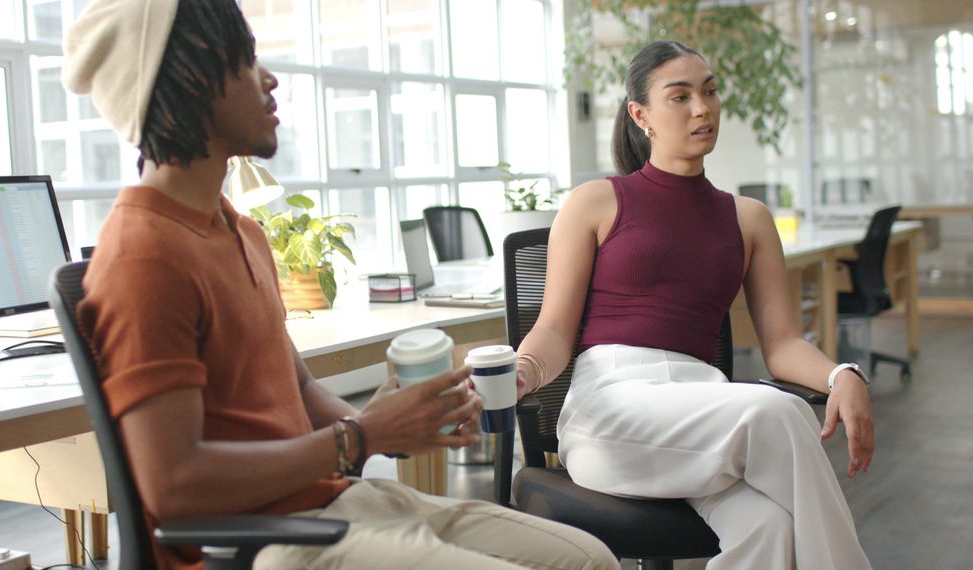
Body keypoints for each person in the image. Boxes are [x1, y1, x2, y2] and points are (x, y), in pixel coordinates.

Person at [61, 1, 619, 569]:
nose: (270, 79)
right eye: (247, 61)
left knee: (590, 560)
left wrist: (393, 421)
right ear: (187, 80)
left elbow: (299, 393)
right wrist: (357, 438)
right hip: (266, 541)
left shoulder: (241, 232)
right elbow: (173, 487)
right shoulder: (145, 255)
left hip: (338, 501)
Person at [512, 40, 874, 570]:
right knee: (778, 411)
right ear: (642, 115)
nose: (702, 109)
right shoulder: (596, 202)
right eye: (679, 97)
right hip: (610, 411)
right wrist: (522, 370)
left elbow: (783, 343)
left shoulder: (748, 219)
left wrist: (842, 374)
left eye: (709, 92)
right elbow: (553, 331)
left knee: (771, 528)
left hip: (702, 409)